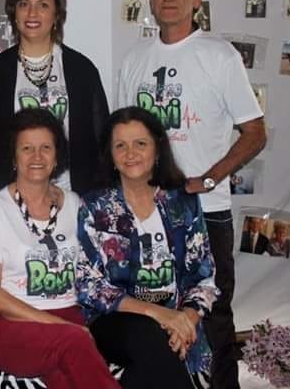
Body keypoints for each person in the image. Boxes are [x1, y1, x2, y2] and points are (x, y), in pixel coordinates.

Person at [118, 0, 266, 389]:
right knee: (156, 310)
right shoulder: (135, 59)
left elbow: (255, 133)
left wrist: (210, 178)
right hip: (148, 211)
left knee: (213, 314)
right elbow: (122, 137)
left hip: (205, 211)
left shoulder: (219, 56)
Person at [0, 108, 119, 389]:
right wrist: (57, 325)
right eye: (27, 148)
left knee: (65, 377)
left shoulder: (75, 204)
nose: (36, 156)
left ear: (57, 156)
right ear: (14, 156)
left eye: (45, 148)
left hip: (67, 315)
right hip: (7, 322)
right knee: (73, 343)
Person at [77, 106, 218, 389]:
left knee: (151, 366)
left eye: (140, 143)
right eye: (120, 145)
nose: (130, 153)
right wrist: (158, 314)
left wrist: (185, 319)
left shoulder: (183, 203)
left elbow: (204, 277)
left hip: (177, 319)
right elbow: (89, 285)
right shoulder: (95, 207)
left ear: (157, 149)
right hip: (115, 321)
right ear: (110, 155)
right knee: (150, 336)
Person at [0, 0, 109, 201]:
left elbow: (103, 141)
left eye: (43, 5)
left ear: (57, 14)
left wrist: (91, 199)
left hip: (72, 201)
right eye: (24, 4)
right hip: (9, 202)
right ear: (14, 13)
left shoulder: (82, 70)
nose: (32, 13)